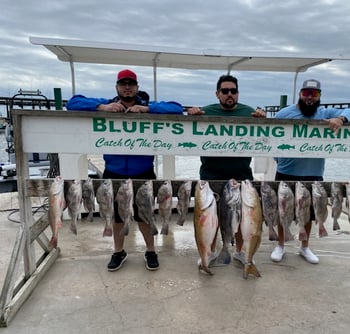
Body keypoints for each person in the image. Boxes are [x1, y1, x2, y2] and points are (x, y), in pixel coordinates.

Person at [66, 69, 183, 272]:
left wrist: (147, 109)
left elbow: (176, 108)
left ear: (137, 87)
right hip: (114, 172)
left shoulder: (146, 106)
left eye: (131, 84)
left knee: (145, 215)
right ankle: (118, 251)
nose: (127, 87)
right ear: (117, 87)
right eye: (123, 84)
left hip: (143, 173)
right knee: (117, 216)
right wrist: (102, 106)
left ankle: (151, 250)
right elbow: (72, 103)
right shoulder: (108, 104)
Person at [271, 79, 350, 264]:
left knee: (308, 213)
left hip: (314, 173)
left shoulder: (325, 113)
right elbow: (270, 137)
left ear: (319, 96)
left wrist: (340, 119)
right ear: (300, 94)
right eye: (306, 93)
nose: (309, 98)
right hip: (287, 173)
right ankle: (280, 245)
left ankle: (304, 246)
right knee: (282, 211)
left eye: (314, 94)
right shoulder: (285, 113)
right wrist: (279, 159)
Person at [188, 74, 266, 265]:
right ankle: (210, 251)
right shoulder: (205, 112)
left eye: (233, 91)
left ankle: (240, 251)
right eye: (225, 91)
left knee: (243, 217)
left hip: (241, 174)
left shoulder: (249, 113)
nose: (229, 94)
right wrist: (190, 115)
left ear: (238, 93)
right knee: (210, 217)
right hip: (210, 173)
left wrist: (262, 119)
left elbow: (268, 133)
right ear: (217, 93)